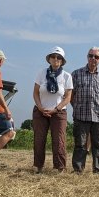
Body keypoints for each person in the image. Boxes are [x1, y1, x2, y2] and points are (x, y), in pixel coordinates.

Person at [71, 47, 99, 174]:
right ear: (87, 57)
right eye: (90, 56)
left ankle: (98, 170)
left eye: (96, 57)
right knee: (80, 144)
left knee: (98, 145)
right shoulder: (76, 74)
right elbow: (70, 96)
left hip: (98, 116)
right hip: (81, 115)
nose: (93, 59)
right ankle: (78, 169)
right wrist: (76, 107)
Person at [33, 46, 72, 174]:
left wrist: (56, 109)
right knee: (39, 139)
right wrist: (40, 107)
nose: (56, 59)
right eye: (53, 56)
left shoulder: (67, 76)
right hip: (41, 111)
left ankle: (60, 168)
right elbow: (35, 93)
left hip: (59, 112)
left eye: (59, 57)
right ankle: (38, 166)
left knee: (59, 140)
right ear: (49, 59)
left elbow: (67, 97)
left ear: (62, 60)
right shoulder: (41, 73)